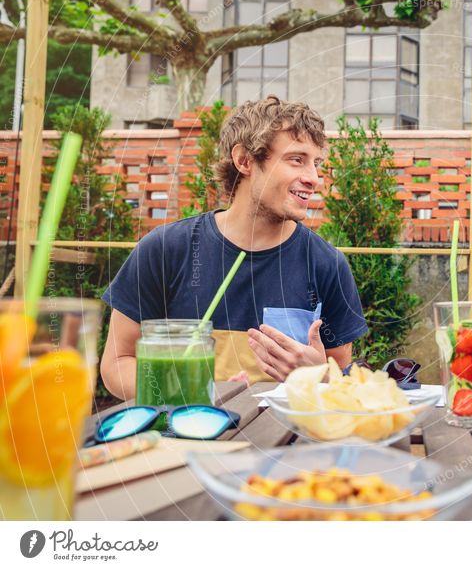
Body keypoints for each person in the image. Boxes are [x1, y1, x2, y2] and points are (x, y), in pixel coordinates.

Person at [100, 96, 368, 400]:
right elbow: (117, 364)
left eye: (316, 163)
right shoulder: (163, 251)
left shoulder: (327, 265)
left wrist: (320, 377)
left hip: (289, 445)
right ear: (244, 160)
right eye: (297, 159)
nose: (313, 178)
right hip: (185, 441)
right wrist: (189, 394)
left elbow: (341, 380)